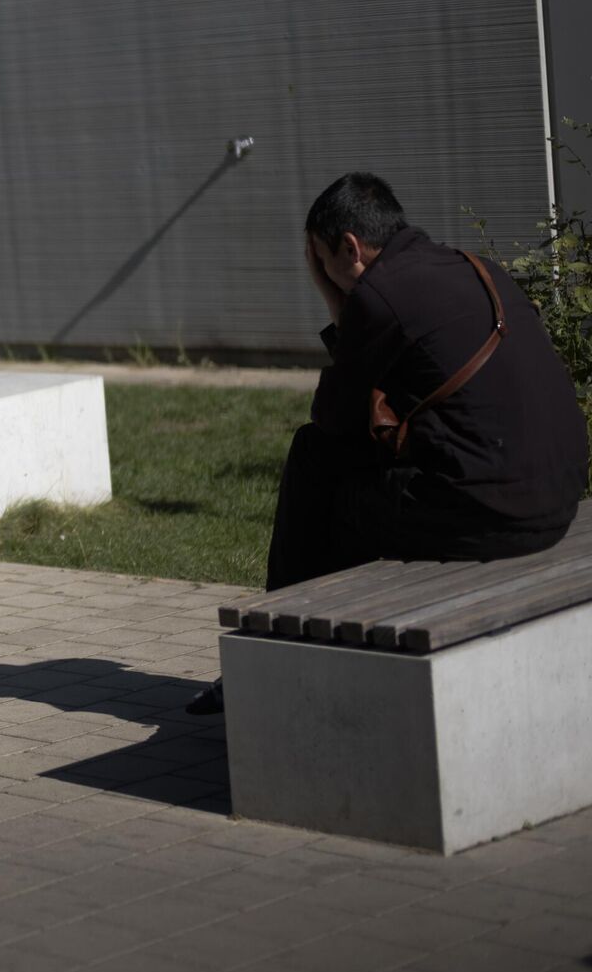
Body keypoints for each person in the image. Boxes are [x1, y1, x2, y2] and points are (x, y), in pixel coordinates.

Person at [187, 173, 587, 714]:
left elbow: (331, 418)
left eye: (321, 260)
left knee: (317, 466)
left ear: (349, 247)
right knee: (337, 471)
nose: (322, 272)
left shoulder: (380, 296)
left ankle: (274, 655)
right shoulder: (475, 268)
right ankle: (313, 655)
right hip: (559, 498)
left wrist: (338, 302)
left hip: (493, 514)